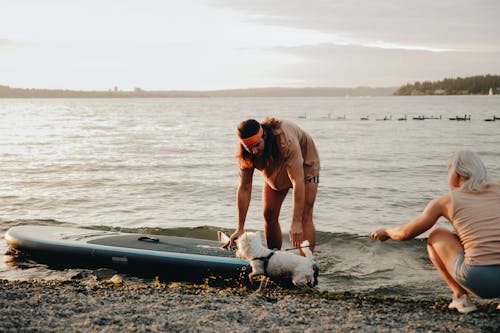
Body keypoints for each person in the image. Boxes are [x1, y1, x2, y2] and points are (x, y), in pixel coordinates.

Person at [371, 150, 500, 313]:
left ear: (457, 174)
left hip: (478, 279)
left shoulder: (446, 201)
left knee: (436, 235)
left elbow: (406, 233)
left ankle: (461, 298)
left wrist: (386, 232)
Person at [225, 117, 320, 253]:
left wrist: (296, 222)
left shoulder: (284, 140)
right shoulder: (246, 152)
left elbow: (297, 181)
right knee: (269, 214)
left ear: (265, 135)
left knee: (305, 216)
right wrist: (240, 228)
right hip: (275, 164)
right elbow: (245, 187)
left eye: (257, 145)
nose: (255, 151)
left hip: (305, 167)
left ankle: (307, 264)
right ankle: (273, 257)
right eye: (249, 147)